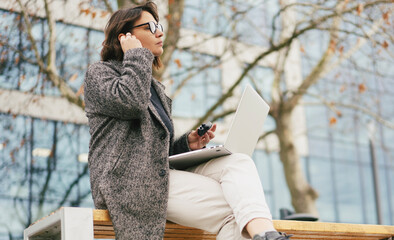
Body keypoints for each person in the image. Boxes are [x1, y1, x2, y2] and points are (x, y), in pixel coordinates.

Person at [84, 2, 292, 240]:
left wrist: (186, 145)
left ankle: (266, 234)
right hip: (127, 184)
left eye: (159, 25)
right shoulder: (99, 73)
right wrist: (135, 54)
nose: (160, 32)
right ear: (125, 37)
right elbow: (131, 102)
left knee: (238, 162)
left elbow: (155, 151)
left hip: (157, 176)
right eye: (151, 26)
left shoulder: (156, 89)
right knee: (234, 212)